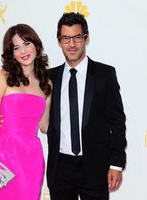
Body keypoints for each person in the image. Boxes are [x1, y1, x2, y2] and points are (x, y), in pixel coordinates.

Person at [47, 12, 127, 200]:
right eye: (66, 38)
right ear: (59, 41)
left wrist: (116, 164)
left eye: (77, 37)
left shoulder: (105, 74)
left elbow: (117, 121)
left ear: (86, 38)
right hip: (60, 168)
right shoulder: (50, 78)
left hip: (95, 167)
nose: (72, 44)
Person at [0, 24, 52, 200]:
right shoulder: (3, 78)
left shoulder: (46, 84)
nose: (23, 51)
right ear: (11, 53)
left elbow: (44, 126)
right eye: (16, 47)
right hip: (0, 155)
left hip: (30, 158)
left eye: (26, 43)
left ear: (36, 45)